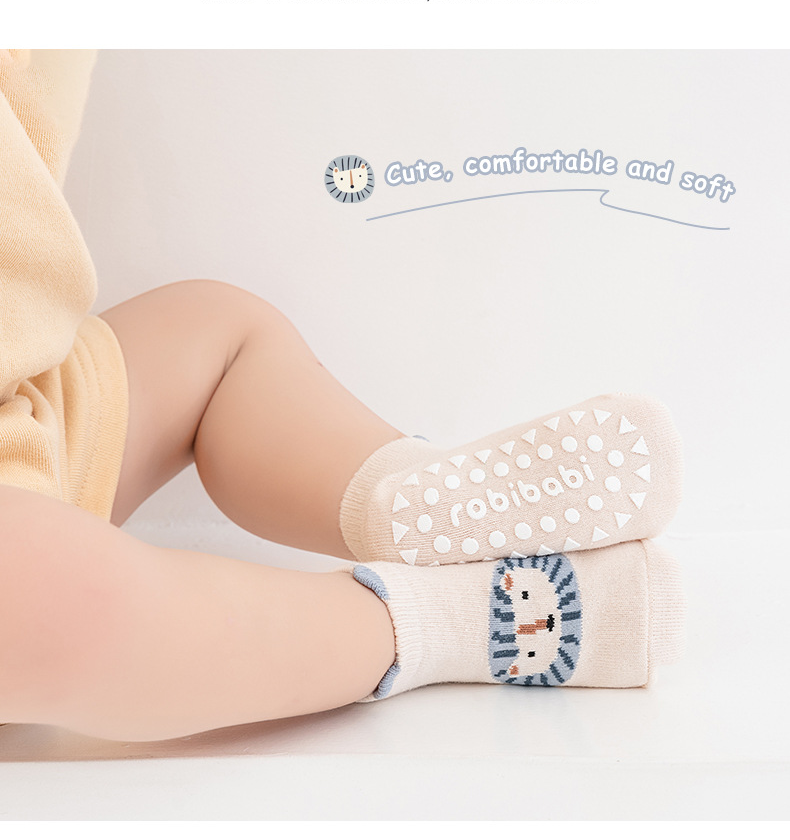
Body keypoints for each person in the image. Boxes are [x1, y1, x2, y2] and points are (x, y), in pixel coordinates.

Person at [0, 50, 685, 742]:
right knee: (51, 595)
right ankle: (438, 616)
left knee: (217, 333)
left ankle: (403, 501)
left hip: (24, 413)